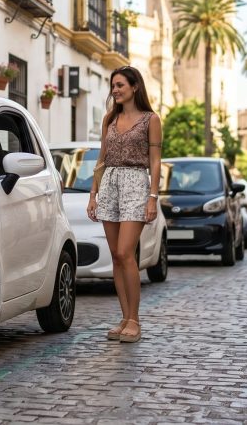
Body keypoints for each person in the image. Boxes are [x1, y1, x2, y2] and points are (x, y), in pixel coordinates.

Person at [87, 66, 162, 344]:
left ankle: (135, 320)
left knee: (125, 252)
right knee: (115, 257)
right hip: (109, 183)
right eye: (113, 86)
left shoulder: (150, 119)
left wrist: (153, 196)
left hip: (136, 184)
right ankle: (123, 317)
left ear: (134, 87)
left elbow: (155, 161)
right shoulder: (109, 118)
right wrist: (93, 193)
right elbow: (101, 160)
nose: (115, 90)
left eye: (120, 85)